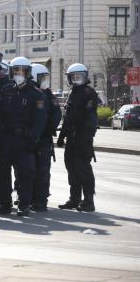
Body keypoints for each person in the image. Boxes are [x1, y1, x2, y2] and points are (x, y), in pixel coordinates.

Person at [0, 57, 46, 217]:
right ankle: (5, 204)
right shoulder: (7, 89)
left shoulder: (35, 93)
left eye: (22, 71)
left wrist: (33, 140)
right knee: (2, 173)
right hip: (6, 138)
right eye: (16, 71)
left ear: (28, 73)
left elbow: (40, 120)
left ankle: (24, 205)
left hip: (24, 140)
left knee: (25, 174)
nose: (19, 74)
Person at [57, 63, 99, 212]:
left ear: (85, 76)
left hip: (82, 138)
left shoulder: (89, 93)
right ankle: (74, 199)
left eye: (78, 76)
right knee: (71, 168)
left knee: (83, 169)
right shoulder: (72, 93)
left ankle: (88, 200)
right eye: (72, 77)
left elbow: (91, 120)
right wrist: (62, 136)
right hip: (71, 139)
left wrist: (86, 137)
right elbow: (67, 118)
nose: (75, 79)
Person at [31, 64, 61, 212]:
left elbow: (57, 114)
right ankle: (27, 197)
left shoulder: (49, 94)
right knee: (27, 169)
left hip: (43, 139)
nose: (45, 81)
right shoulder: (30, 92)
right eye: (42, 78)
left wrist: (49, 129)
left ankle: (41, 200)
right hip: (30, 138)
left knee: (42, 170)